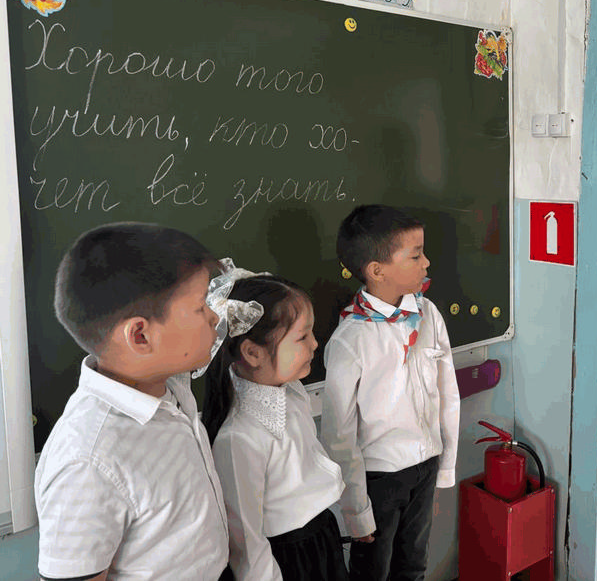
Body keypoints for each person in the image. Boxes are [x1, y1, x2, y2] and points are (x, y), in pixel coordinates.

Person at [35, 222, 228, 581]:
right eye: (201, 306)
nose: (215, 317)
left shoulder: (169, 384)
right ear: (140, 336)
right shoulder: (87, 461)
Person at [321, 204, 460, 581]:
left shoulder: (428, 315)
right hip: (378, 478)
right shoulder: (351, 338)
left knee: (413, 566)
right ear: (377, 270)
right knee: (373, 571)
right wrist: (356, 510)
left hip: (426, 463)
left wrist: (445, 464)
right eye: (415, 255)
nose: (427, 262)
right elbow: (338, 434)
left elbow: (447, 392)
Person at [202, 264, 348, 581]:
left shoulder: (291, 391)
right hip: (287, 559)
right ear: (253, 352)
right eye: (302, 336)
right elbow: (247, 544)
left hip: (321, 537)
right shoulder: (239, 438)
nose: (315, 344)